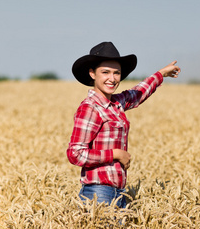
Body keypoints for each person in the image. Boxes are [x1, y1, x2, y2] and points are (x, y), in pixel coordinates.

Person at [66, 41, 180, 208]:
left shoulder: (116, 103)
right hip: (98, 193)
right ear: (92, 74)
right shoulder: (90, 108)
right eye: (105, 72)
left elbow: (138, 93)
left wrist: (161, 73)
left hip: (119, 193)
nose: (112, 79)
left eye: (116, 73)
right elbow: (75, 153)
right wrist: (115, 154)